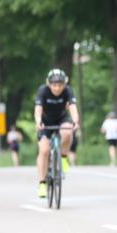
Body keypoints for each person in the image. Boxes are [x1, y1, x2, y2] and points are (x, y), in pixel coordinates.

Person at [34, 68, 80, 198]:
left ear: (64, 84)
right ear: (49, 84)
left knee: (68, 132)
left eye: (60, 85)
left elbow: (72, 107)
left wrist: (75, 121)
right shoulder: (43, 90)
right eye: (54, 85)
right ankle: (42, 183)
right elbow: (38, 109)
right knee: (44, 151)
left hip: (61, 119)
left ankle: (64, 157)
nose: (57, 88)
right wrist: (38, 122)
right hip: (45, 121)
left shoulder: (68, 90)